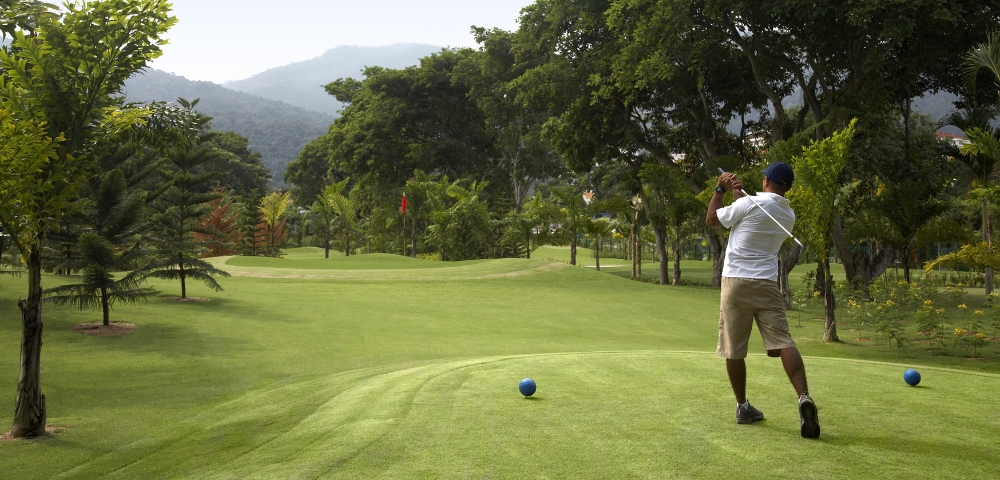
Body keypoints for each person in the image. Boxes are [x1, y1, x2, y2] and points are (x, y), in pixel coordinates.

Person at [704, 162, 820, 439]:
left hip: (735, 282)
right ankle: (803, 396)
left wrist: (720, 188)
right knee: (783, 342)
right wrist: (738, 193)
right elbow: (748, 215)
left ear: (766, 180)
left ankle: (742, 406)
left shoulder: (750, 204)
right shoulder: (787, 214)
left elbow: (712, 220)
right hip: (767, 284)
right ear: (787, 187)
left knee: (734, 348)